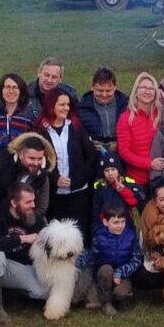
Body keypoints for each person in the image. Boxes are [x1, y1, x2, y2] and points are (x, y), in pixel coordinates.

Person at [0, 183, 50, 324]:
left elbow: (47, 239)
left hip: (21, 267)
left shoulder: (34, 217)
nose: (33, 205)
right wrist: (22, 238)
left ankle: (14, 293)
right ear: (13, 202)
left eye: (33, 200)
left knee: (42, 292)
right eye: (28, 202)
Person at [40, 90, 98, 230]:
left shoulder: (75, 126)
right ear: (51, 106)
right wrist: (55, 179)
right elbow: (39, 161)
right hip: (54, 194)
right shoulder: (40, 130)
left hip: (78, 192)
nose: (66, 108)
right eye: (62, 105)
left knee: (78, 232)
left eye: (68, 104)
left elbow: (91, 155)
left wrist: (79, 177)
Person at [78, 199, 142, 315]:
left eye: (123, 222)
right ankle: (106, 303)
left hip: (123, 275)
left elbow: (136, 261)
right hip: (104, 274)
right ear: (106, 222)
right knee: (106, 269)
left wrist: (120, 272)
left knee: (121, 294)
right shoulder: (98, 237)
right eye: (116, 222)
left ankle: (122, 297)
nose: (120, 226)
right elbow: (92, 256)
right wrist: (76, 260)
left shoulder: (131, 236)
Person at [117, 72, 163, 185]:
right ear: (136, 92)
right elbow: (124, 152)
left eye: (151, 88)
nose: (147, 91)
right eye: (143, 87)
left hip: (160, 178)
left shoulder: (160, 115)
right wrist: (149, 164)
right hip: (137, 181)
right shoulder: (126, 118)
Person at [0, 73, 40, 155]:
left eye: (15, 87)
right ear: (1, 90)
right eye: (7, 87)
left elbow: (38, 145)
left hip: (23, 165)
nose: (11, 91)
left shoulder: (32, 116)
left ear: (21, 91)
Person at [77, 68, 129, 152]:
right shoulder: (82, 107)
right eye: (100, 90)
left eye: (108, 91)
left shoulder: (126, 105)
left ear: (115, 88)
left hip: (121, 151)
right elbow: (77, 134)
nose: (104, 95)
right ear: (92, 87)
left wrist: (119, 144)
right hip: (92, 153)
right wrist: (89, 143)